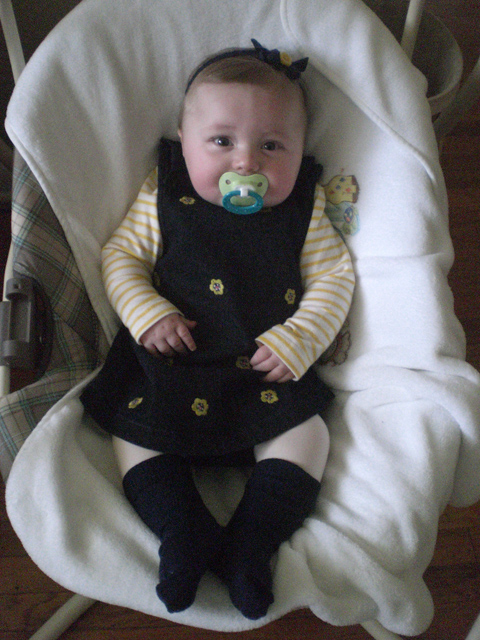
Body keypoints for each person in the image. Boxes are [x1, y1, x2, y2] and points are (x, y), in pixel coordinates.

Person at [81, 39, 355, 620]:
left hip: (262, 369)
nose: (246, 164)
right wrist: (147, 312)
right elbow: (121, 257)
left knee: (307, 436)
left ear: (301, 150)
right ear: (185, 143)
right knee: (132, 433)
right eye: (222, 141)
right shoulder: (164, 193)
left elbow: (334, 278)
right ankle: (182, 530)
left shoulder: (304, 209)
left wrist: (299, 339)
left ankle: (252, 542)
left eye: (272, 145)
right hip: (171, 361)